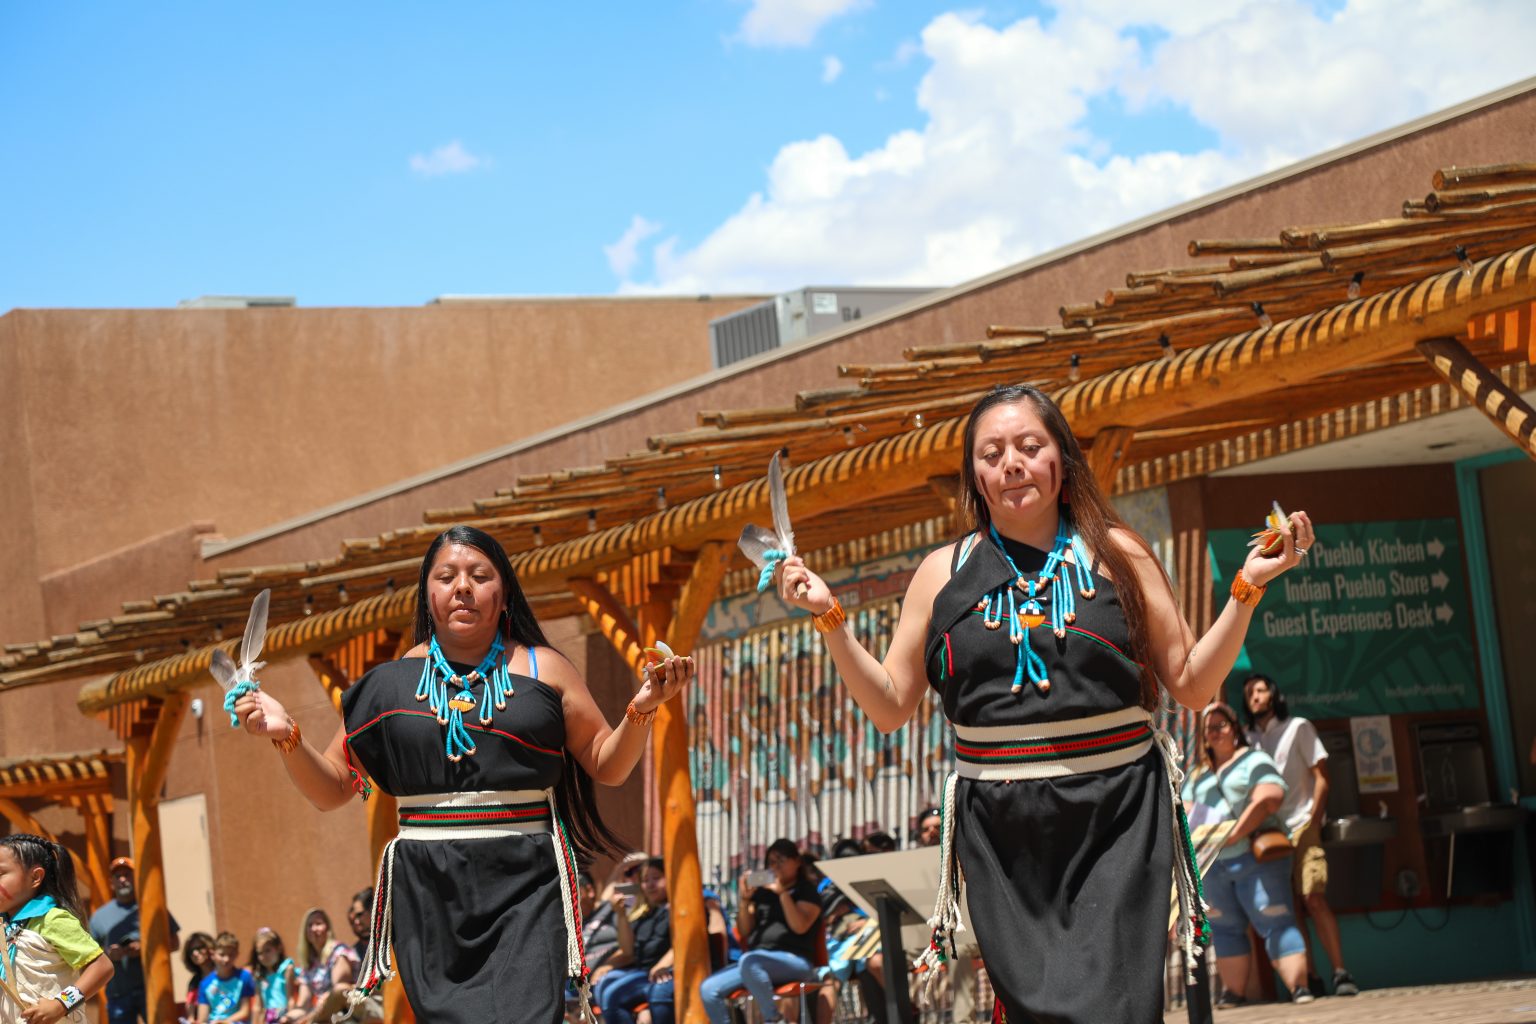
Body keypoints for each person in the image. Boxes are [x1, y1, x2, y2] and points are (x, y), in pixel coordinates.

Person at [776, 384, 1314, 1023]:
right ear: (974, 475)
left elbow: (1194, 686)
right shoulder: (941, 573)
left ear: (1061, 460)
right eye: (992, 452)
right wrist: (829, 617)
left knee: (1115, 1009)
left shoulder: (1121, 555)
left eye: (1030, 447)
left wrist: (1245, 590)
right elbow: (890, 705)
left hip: (1117, 814)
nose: (1011, 463)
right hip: (1003, 832)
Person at [233, 524, 694, 1024]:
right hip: (431, 892)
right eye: (446, 576)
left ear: (503, 594)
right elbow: (333, 789)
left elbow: (608, 764)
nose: (462, 587)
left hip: (525, 883)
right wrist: (287, 735)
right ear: (428, 595)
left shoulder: (545, 669)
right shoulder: (390, 686)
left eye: (479, 575)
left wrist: (642, 708)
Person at [1182, 703, 1311, 1007]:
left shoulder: (1254, 760)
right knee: (1224, 928)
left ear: (1235, 728)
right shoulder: (1197, 773)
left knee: (1275, 919)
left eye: (1221, 725)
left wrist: (1237, 831)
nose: (1215, 732)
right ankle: (1234, 993)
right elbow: (1184, 812)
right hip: (1213, 865)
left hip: (1256, 859)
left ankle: (1299, 988)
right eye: (1209, 728)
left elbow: (1271, 796)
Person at [1243, 672, 1359, 998]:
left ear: (1273, 695)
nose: (1254, 697)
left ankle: (1341, 973)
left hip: (1303, 826)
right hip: (1270, 833)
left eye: (1260, 690)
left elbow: (1322, 777)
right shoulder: (1248, 738)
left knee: (1314, 897)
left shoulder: (1299, 727)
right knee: (1290, 907)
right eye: (1249, 692)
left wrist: (1313, 817)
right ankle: (1311, 977)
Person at [699, 839, 824, 1024]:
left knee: (750, 961)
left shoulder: (807, 891)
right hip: (755, 963)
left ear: (797, 861)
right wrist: (745, 899)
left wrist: (782, 894)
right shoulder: (762, 893)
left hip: (795, 961)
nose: (775, 866)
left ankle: (773, 1019)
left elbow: (800, 926)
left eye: (780, 860)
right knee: (709, 989)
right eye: (771, 862)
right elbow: (744, 929)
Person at [0, 833, 114, 1024]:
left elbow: (102, 967)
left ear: (35, 877)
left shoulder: (52, 919)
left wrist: (61, 1004)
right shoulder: (3, 925)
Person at [88, 857, 179, 1024]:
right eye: (118, 876)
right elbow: (87, 956)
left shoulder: (154, 907)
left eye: (127, 875)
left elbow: (175, 943)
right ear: (111, 883)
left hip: (152, 989)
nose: (123, 880)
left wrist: (145, 948)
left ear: (135, 878)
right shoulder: (99, 916)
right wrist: (109, 954)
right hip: (118, 992)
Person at [595, 858, 674, 1024]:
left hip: (662, 973)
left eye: (656, 878)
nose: (651, 885)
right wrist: (621, 915)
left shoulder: (677, 908)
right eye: (645, 880)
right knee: (605, 986)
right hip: (643, 972)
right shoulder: (644, 911)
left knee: (613, 995)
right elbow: (628, 950)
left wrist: (663, 964)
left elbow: (680, 945)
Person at [291, 909, 354, 1021]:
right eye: (310, 925)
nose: (314, 929)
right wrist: (287, 1017)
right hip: (319, 1013)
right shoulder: (309, 963)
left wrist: (308, 1018)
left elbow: (339, 991)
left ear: (328, 928)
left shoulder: (339, 952)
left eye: (318, 924)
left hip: (342, 1011)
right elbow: (303, 1004)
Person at [340, 893, 383, 1024]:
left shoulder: (388, 943)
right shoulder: (351, 953)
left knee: (339, 992)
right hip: (362, 1005)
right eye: (352, 922)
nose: (356, 923)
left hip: (383, 1005)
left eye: (359, 916)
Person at [196, 932, 257, 1023]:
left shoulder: (244, 977)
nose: (226, 959)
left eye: (231, 955)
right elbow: (202, 1018)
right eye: (222, 955)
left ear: (237, 954)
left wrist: (225, 1022)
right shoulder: (205, 983)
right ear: (213, 955)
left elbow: (245, 1011)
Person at [249, 927, 300, 1023]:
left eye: (267, 950)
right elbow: (258, 1005)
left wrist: (291, 1019)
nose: (263, 956)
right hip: (267, 1018)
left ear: (279, 948)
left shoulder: (286, 969)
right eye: (260, 953)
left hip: (283, 1016)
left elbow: (290, 999)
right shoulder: (259, 975)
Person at [181, 932, 216, 1022]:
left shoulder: (223, 974)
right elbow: (190, 1014)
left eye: (198, 948)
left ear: (210, 948)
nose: (195, 953)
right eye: (191, 951)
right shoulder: (194, 982)